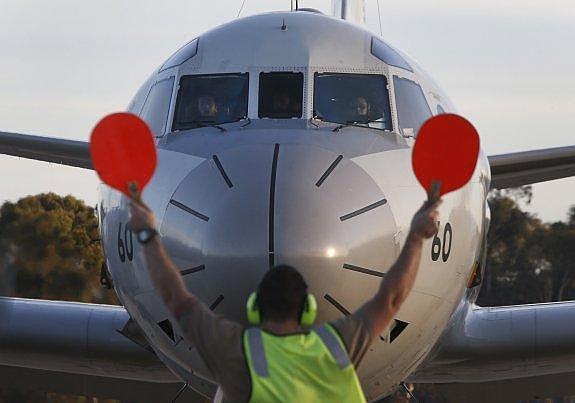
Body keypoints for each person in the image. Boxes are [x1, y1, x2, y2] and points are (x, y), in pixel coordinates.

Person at [129, 199, 441, 402]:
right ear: (308, 309)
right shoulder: (337, 347)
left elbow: (175, 296)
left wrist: (148, 236)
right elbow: (391, 299)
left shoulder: (236, 354)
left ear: (254, 306)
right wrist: (416, 237)